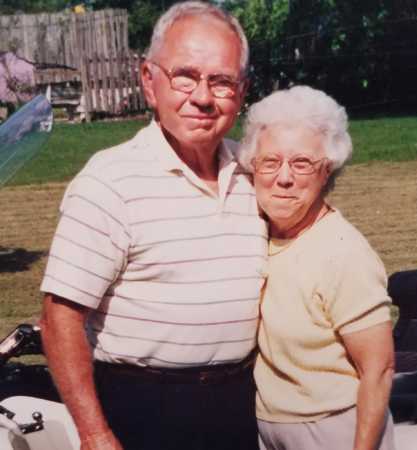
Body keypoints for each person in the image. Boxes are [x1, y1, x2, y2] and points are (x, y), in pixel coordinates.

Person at [39, 3, 267, 450]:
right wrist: (95, 434)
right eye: (185, 75)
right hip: (141, 413)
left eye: (221, 81)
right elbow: (58, 319)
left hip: (240, 407)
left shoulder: (254, 173)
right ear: (149, 81)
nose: (203, 97)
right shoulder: (109, 181)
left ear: (241, 93)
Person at [239, 85, 396, 450]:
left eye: (302, 163)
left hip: (336, 431)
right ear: (252, 167)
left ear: (327, 171)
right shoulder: (254, 234)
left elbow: (379, 369)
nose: (284, 177)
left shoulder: (342, 253)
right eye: (271, 161)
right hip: (270, 428)